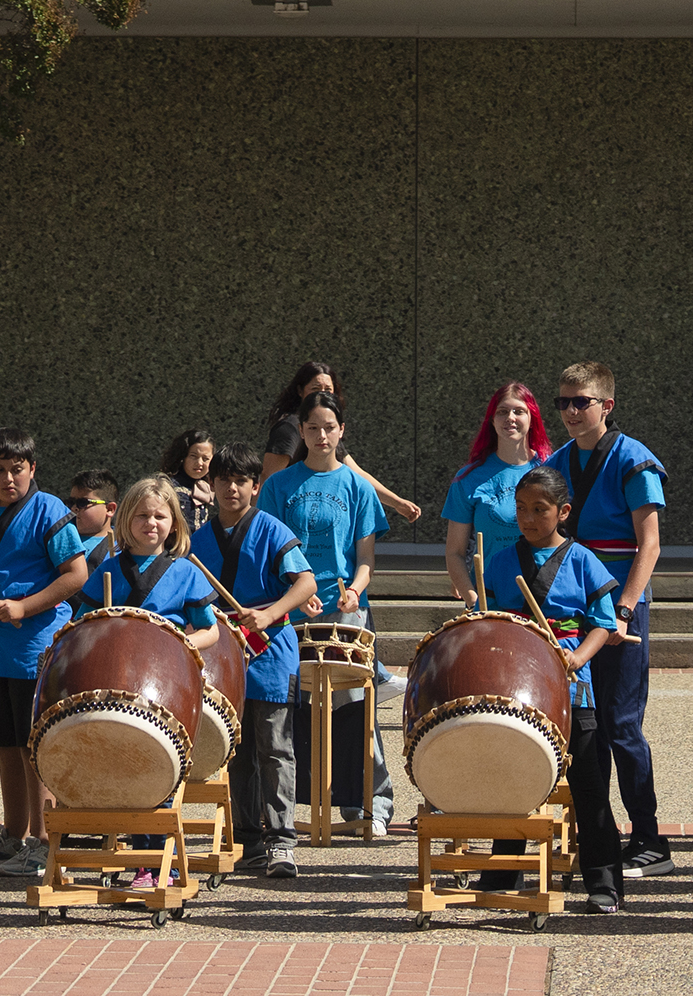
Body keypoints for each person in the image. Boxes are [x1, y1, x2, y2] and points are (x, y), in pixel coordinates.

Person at [0, 430, 91, 881]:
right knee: (5, 744)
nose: (8, 478)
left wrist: (25, 606)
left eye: (17, 469)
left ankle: (44, 841)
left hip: (38, 644)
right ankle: (13, 833)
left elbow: (76, 574)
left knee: (38, 747)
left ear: (32, 469)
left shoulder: (51, 511)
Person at [480, 467, 622, 911]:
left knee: (589, 787)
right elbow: (489, 623)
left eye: (538, 510)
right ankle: (502, 874)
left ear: (563, 511)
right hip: (518, 687)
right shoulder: (501, 561)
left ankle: (603, 883)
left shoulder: (582, 560)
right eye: (520, 509)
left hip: (571, 686)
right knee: (515, 780)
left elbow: (601, 623)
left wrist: (578, 658)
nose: (527, 518)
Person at [551, 361, 671, 877]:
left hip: (621, 606)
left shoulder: (634, 460)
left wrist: (623, 607)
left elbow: (651, 544)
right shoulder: (555, 461)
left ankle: (650, 839)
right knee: (586, 729)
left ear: (607, 406)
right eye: (564, 403)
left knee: (623, 726)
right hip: (577, 609)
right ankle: (600, 838)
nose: (572, 412)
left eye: (582, 402)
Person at [261, 391, 397, 833]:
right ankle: (285, 807)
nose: (321, 435)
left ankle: (370, 803)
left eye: (329, 427)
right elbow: (271, 553)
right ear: (301, 431)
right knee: (291, 709)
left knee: (356, 707)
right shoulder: (280, 485)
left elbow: (365, 557)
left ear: (342, 431)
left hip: (344, 611)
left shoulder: (357, 485)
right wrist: (295, 590)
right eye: (313, 428)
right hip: (293, 609)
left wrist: (355, 590)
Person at [82, 474, 224, 890]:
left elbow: (210, 630)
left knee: (159, 767)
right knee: (124, 769)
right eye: (142, 515)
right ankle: (138, 858)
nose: (151, 523)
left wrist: (178, 642)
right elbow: (83, 624)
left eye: (160, 516)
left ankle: (159, 861)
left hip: (165, 690)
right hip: (116, 687)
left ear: (174, 524)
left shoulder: (185, 573)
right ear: (125, 521)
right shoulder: (107, 570)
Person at [195, 443, 322, 879]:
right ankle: (247, 839)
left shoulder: (272, 529)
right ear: (211, 485)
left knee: (275, 748)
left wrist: (268, 612)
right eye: (224, 480)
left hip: (269, 649)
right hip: (221, 652)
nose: (232, 488)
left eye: (241, 481)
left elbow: (305, 583)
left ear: (256, 486)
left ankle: (282, 840)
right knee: (235, 749)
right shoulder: (195, 541)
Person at [261, 360, 422, 523]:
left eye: (328, 390)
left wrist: (396, 503)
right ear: (300, 391)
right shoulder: (289, 428)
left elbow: (357, 474)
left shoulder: (329, 436)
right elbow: (268, 481)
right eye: (315, 389)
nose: (321, 435)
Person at [445, 382, 552, 608]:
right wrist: (473, 597)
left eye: (519, 411)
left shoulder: (552, 470)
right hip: (490, 598)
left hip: (545, 598)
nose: (510, 418)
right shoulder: (468, 478)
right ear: (492, 420)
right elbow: (454, 552)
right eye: (502, 412)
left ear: (532, 418)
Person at [63, 470, 120, 608]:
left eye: (83, 502)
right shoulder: (59, 538)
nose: (74, 508)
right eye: (71, 502)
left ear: (110, 509)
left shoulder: (121, 547)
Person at [160, 429, 216, 533]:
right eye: (193, 456)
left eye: (205, 459)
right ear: (183, 457)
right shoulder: (167, 486)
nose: (199, 463)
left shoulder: (210, 488)